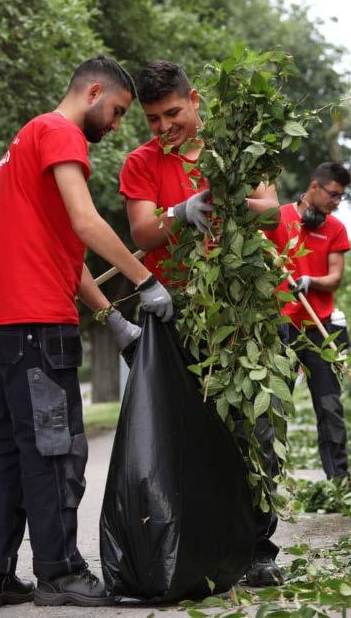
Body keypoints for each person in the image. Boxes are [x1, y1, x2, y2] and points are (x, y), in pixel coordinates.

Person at [0, 55, 174, 610]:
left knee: (9, 449)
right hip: (35, 322)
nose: (115, 125)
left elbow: (65, 249)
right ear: (94, 92)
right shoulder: (60, 133)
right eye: (117, 112)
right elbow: (87, 223)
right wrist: (146, 280)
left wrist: (114, 317)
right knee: (56, 450)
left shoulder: (21, 148)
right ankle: (60, 572)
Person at [118, 60, 283, 587]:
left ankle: (260, 548)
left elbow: (273, 211)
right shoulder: (140, 163)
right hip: (176, 312)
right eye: (151, 120)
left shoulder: (234, 149)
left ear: (195, 100)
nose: (164, 128)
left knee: (250, 431)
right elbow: (143, 233)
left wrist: (231, 201)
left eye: (172, 114)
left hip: (238, 310)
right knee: (184, 433)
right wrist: (180, 211)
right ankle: (198, 546)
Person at [265, 162, 351, 481]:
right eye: (333, 194)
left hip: (320, 329)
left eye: (341, 197)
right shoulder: (278, 218)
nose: (336, 202)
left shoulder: (335, 228)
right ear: (314, 187)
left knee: (330, 406)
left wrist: (310, 281)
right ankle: (269, 481)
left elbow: (336, 276)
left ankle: (340, 479)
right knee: (275, 407)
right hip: (282, 328)